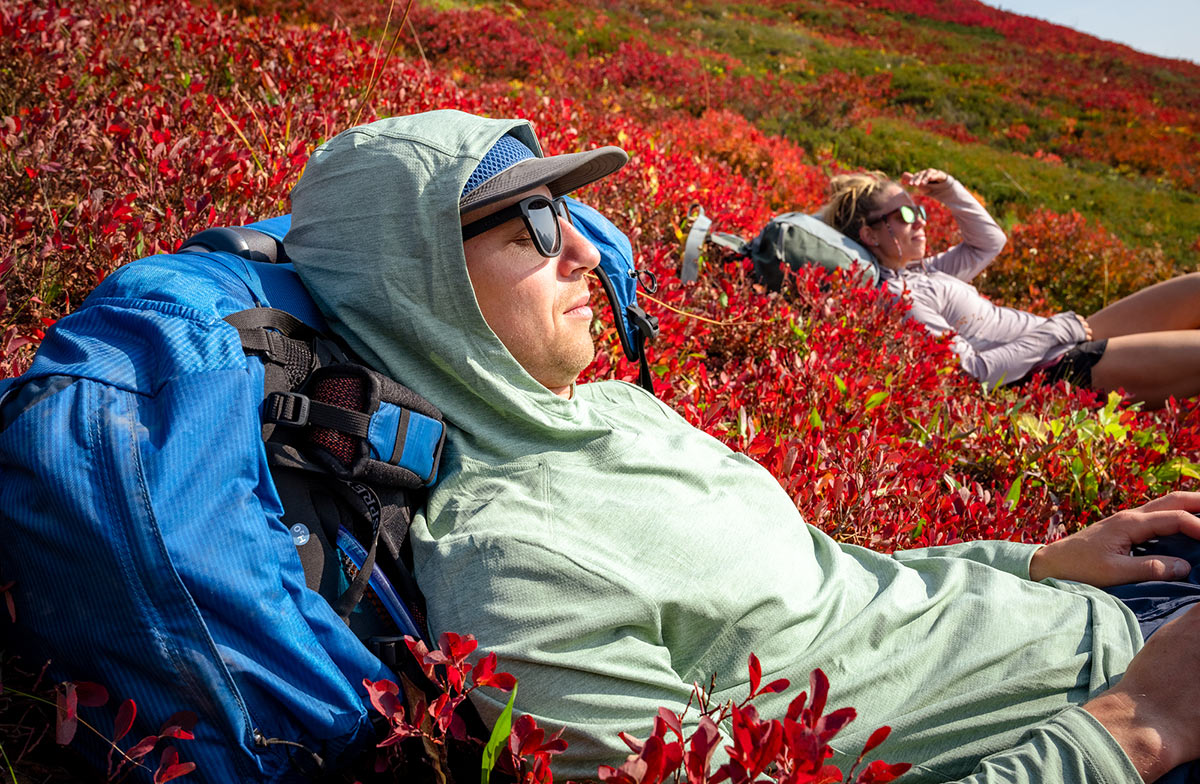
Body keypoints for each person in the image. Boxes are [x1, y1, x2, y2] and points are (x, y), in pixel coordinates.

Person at [284, 110, 1200, 784]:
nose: (589, 254)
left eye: (565, 210)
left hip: (1095, 608)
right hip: (1109, 715)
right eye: (530, 224)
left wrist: (1035, 559)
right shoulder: (509, 561)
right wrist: (1131, 732)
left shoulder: (618, 409)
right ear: (420, 284)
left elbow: (816, 579)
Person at [822, 169, 1200, 406]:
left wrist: (949, 192)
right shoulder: (901, 297)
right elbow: (975, 373)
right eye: (904, 215)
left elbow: (989, 243)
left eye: (918, 211)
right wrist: (1057, 329)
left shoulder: (921, 272)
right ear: (869, 234)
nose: (919, 221)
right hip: (1054, 369)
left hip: (1066, 338)